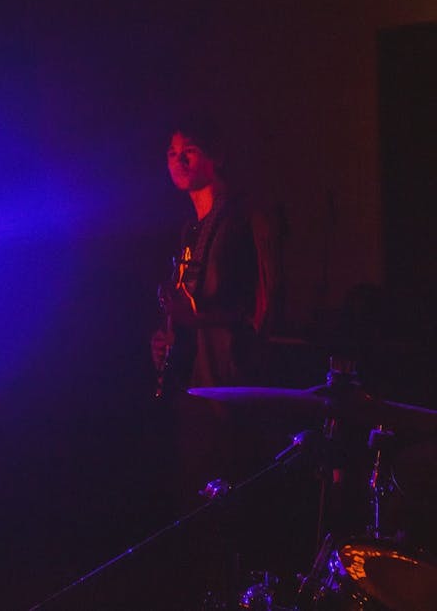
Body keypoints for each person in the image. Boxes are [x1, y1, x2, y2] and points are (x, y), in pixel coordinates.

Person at [146, 117, 282, 608]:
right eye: (171, 152)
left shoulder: (245, 219)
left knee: (236, 516)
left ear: (216, 155)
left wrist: (196, 317)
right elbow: (187, 307)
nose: (178, 160)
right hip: (193, 393)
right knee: (197, 514)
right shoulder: (190, 229)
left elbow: (260, 311)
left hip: (233, 392)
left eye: (190, 150)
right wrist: (168, 338)